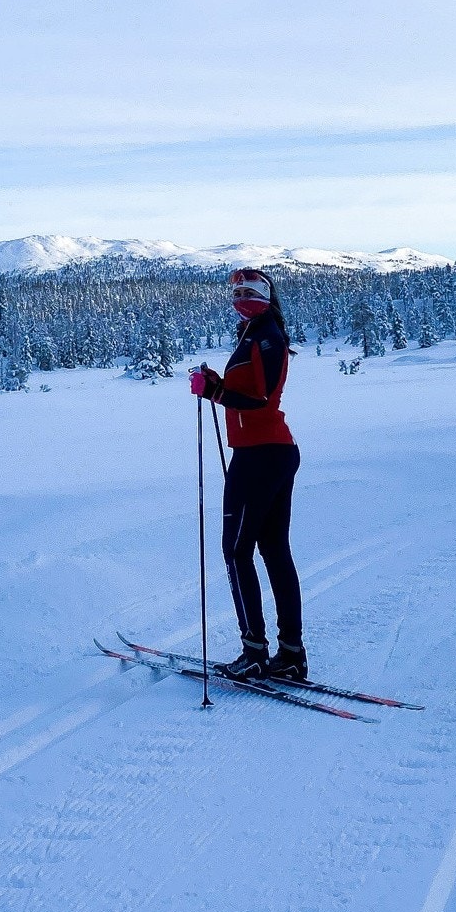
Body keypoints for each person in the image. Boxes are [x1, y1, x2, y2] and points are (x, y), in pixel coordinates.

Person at [189, 267, 306, 682]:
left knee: (237, 550)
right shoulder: (254, 332)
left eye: (248, 289)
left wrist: (215, 391)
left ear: (265, 294)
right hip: (266, 452)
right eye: (235, 290)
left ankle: (255, 651)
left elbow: (261, 399)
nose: (239, 295)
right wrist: (217, 384)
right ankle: (290, 654)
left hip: (261, 455)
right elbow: (250, 393)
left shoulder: (266, 334)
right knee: (273, 550)